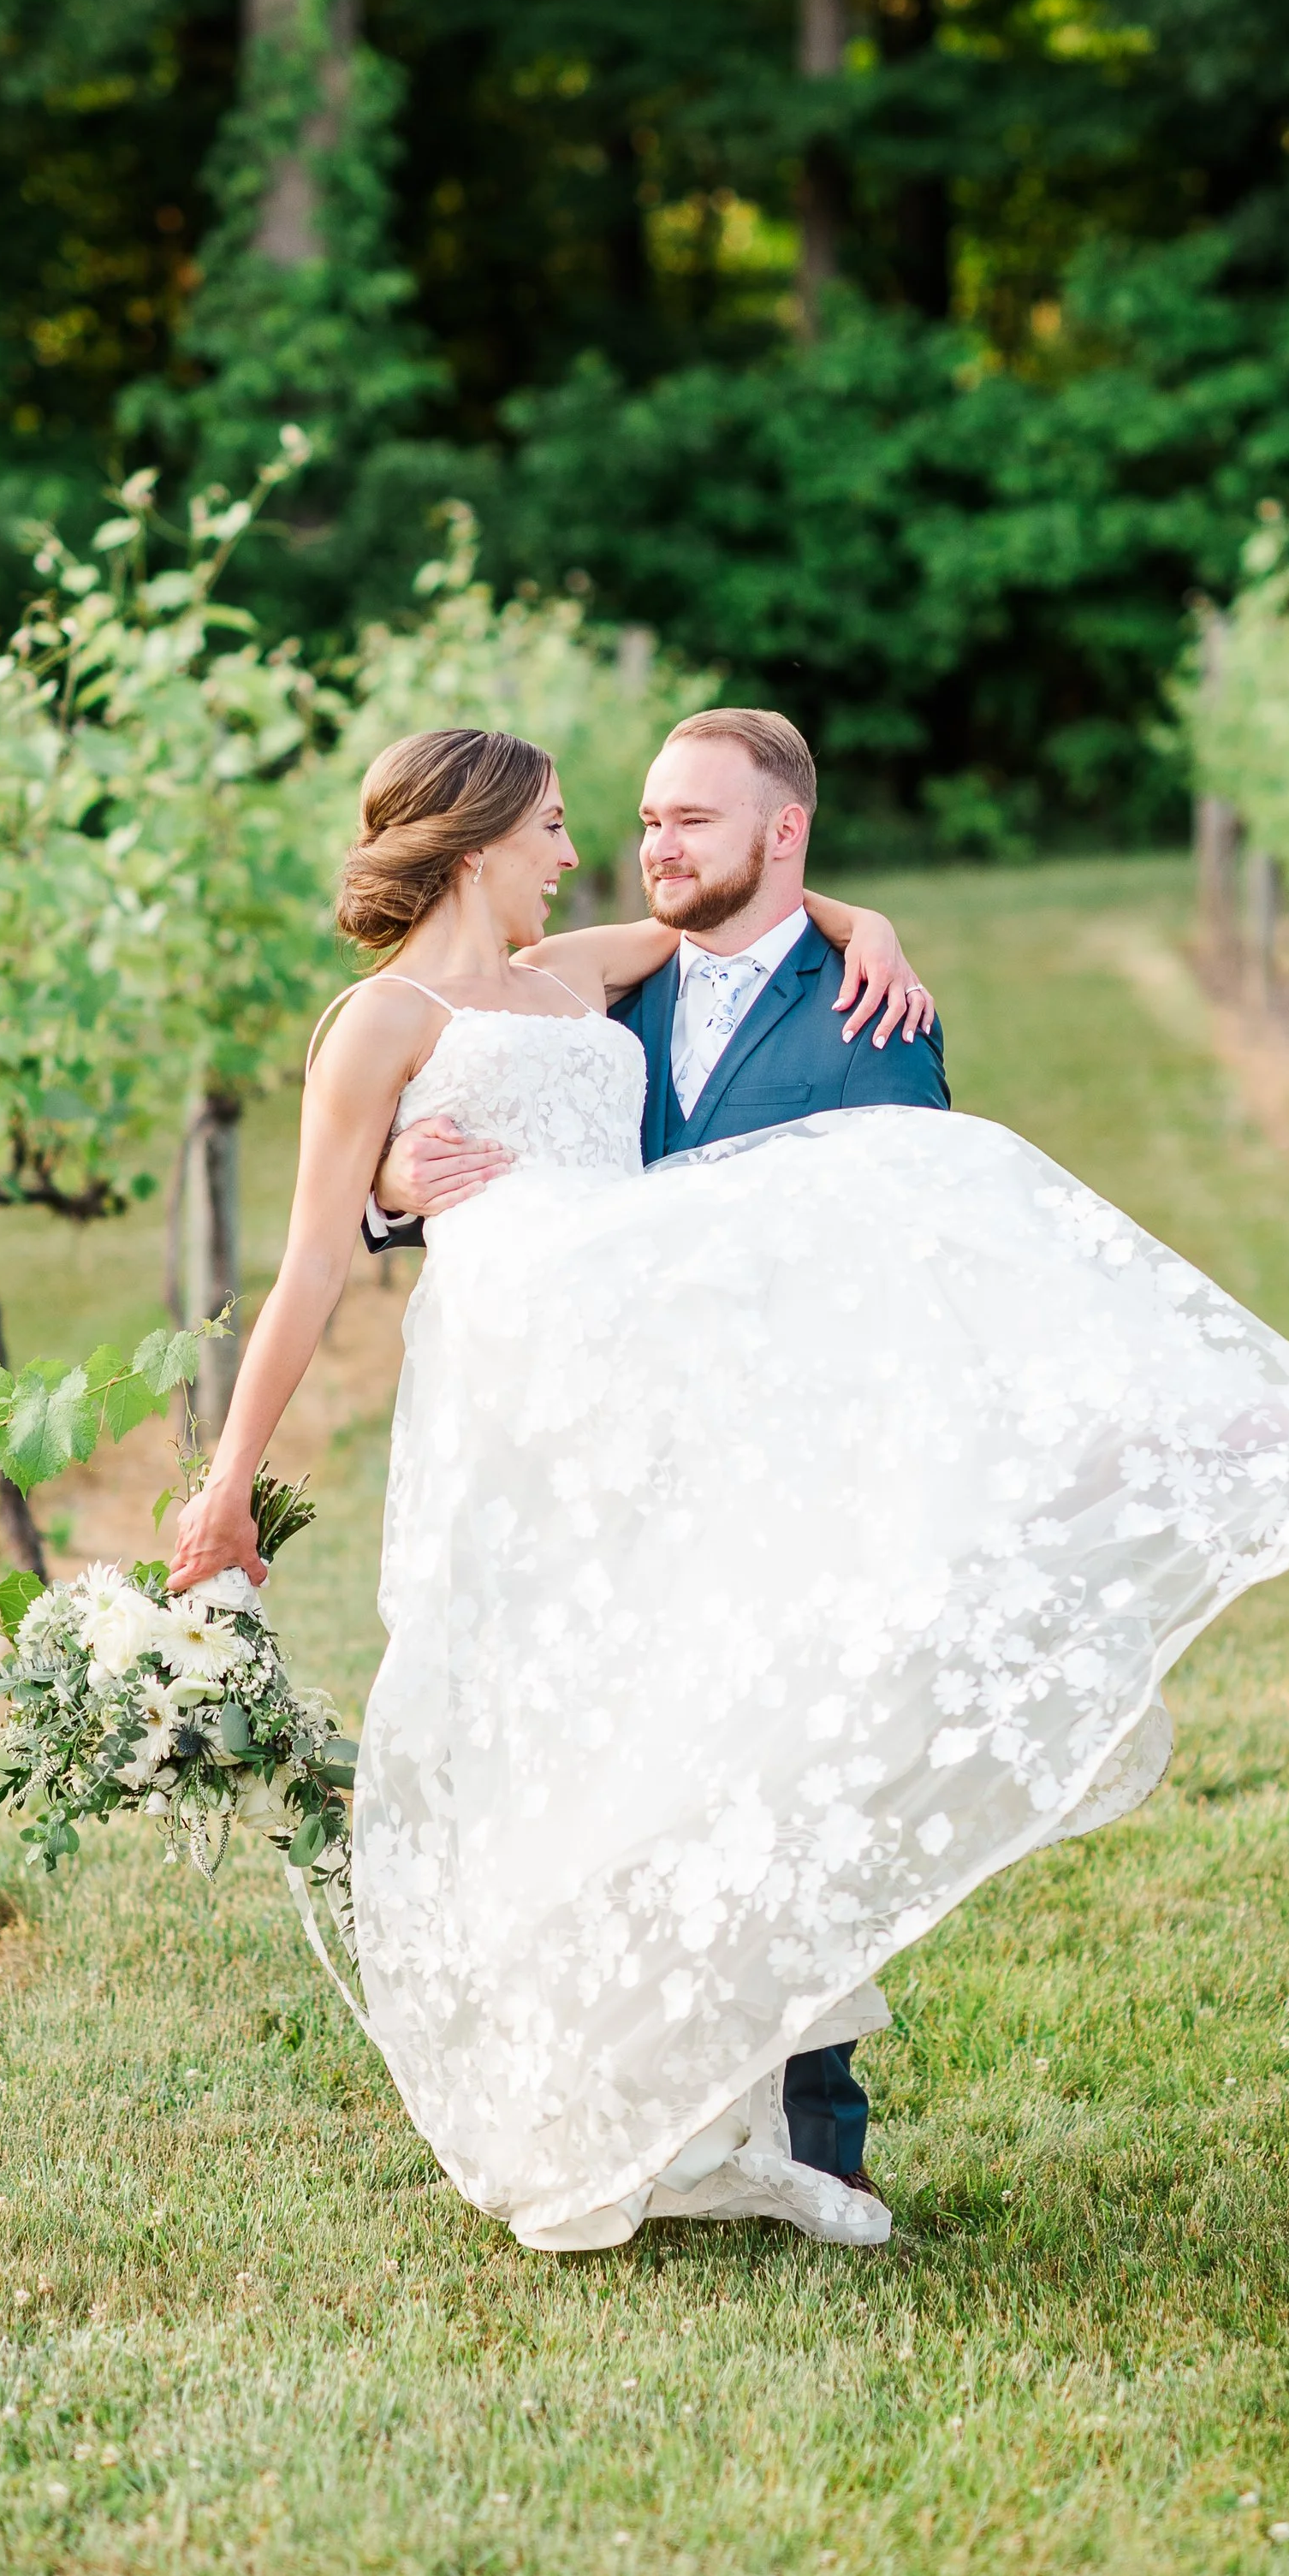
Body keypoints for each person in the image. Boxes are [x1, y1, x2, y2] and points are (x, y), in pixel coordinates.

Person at [168, 721, 1289, 2257]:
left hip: (653, 1368)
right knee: (550, 1724)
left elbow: (774, 905)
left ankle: (722, 2106)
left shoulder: (578, 975)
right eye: (559, 828)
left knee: (694, 1698)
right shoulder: (376, 1020)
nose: (582, 855)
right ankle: (605, 2098)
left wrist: (869, 919)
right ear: (480, 841)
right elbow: (309, 1260)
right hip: (522, 1385)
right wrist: (241, 1462)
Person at [362, 707, 947, 2205]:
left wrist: (858, 923)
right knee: (616, 1788)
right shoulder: (586, 998)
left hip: (782, 1470)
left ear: (784, 834)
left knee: (780, 1791)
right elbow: (470, 1109)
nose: (656, 845)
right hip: (595, 1474)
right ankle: (620, 2106)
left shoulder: (870, 1012)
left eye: (695, 819)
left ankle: (816, 2135)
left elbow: (911, 1247)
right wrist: (385, 1184)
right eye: (647, 819)